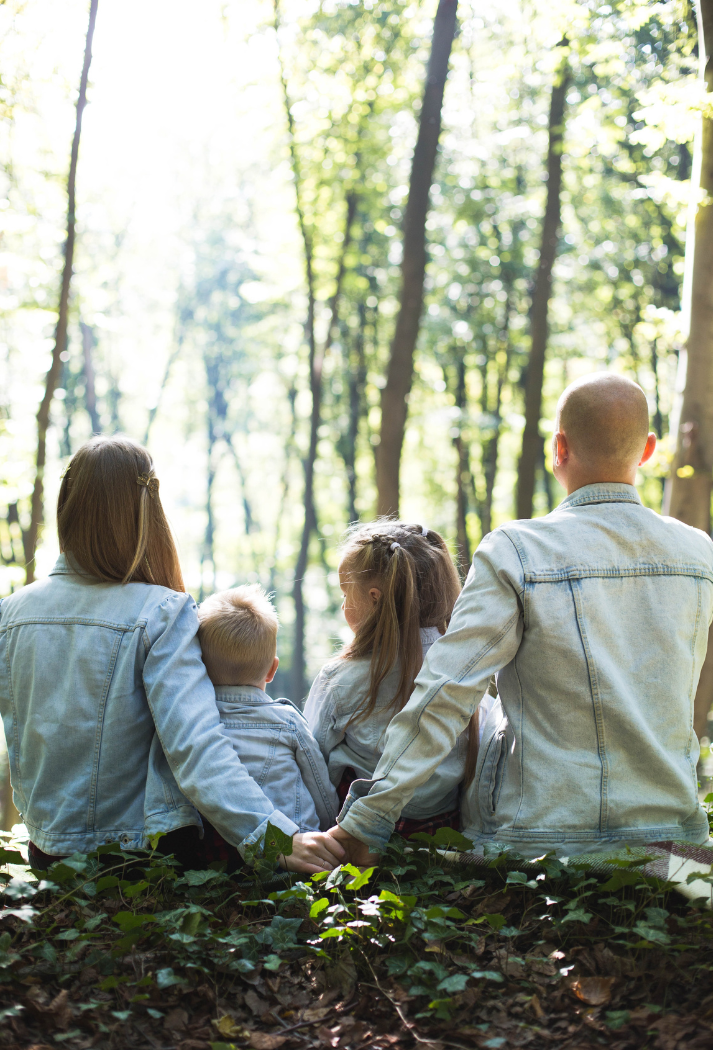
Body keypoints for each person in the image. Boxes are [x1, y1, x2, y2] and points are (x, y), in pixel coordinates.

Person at [328, 374, 713, 862]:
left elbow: (447, 691)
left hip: (538, 841)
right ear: (648, 450)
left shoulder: (517, 551)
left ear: (559, 448)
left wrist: (369, 820)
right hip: (675, 843)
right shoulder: (699, 554)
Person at [0, 436, 344, 874]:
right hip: (138, 861)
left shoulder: (9, 613)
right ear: (146, 512)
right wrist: (274, 838)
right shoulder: (161, 612)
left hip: (47, 856)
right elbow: (196, 746)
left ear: (67, 505)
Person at [304, 521, 498, 838]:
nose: (342, 605)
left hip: (356, 835)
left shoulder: (342, 678)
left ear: (375, 598)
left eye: (345, 594)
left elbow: (312, 760)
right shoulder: (466, 673)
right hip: (441, 834)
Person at [196, 585, 338, 859]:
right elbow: (320, 788)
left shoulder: (195, 724)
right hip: (295, 853)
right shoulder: (287, 721)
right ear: (272, 670)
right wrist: (329, 830)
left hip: (221, 859)